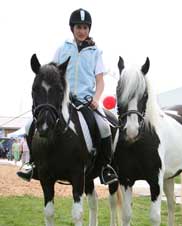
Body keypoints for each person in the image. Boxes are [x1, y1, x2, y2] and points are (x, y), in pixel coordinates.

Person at [17, 8, 118, 185]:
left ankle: (104, 168)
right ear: (72, 28)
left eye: (85, 27)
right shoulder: (62, 48)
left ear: (89, 30)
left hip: (86, 102)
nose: (82, 31)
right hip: (63, 101)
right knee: (29, 125)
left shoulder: (96, 52)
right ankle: (32, 163)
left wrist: (96, 98)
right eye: (78, 27)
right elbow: (51, 74)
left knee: (104, 127)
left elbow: (100, 81)